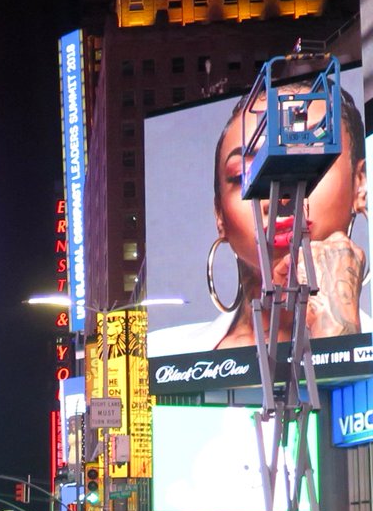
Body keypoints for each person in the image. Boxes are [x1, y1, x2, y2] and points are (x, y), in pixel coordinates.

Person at [148, 78, 367, 355]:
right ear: (220, 215)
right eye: (245, 175)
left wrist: (336, 328)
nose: (283, 196)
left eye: (311, 164)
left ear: (359, 184)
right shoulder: (161, 352)